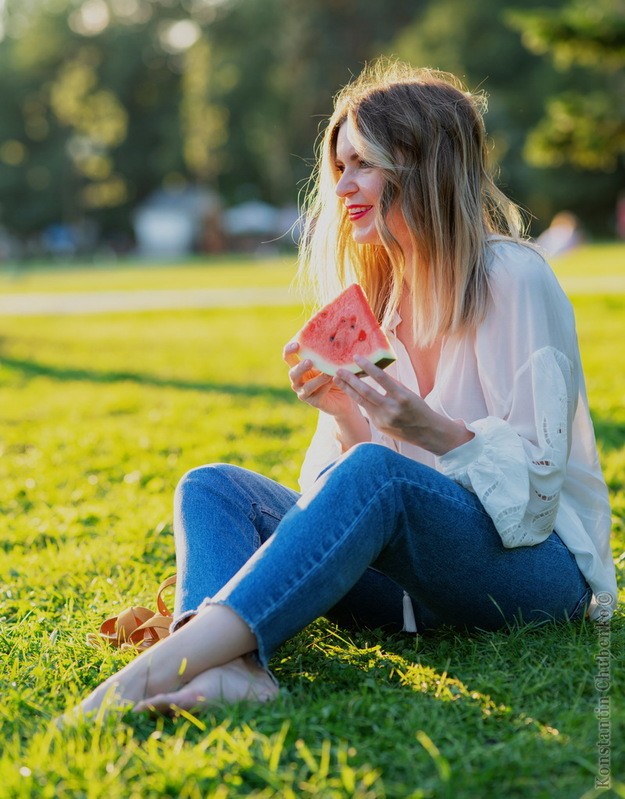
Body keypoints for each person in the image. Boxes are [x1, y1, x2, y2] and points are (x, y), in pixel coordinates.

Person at [67, 61, 617, 720]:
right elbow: (350, 503)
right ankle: (238, 667)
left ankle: (155, 670)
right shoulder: (380, 302)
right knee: (213, 485)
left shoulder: (514, 279)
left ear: (420, 163)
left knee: (375, 472)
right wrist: (344, 416)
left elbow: (533, 499)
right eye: (339, 168)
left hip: (535, 572)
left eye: (361, 165)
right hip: (411, 592)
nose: (342, 187)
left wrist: (426, 428)